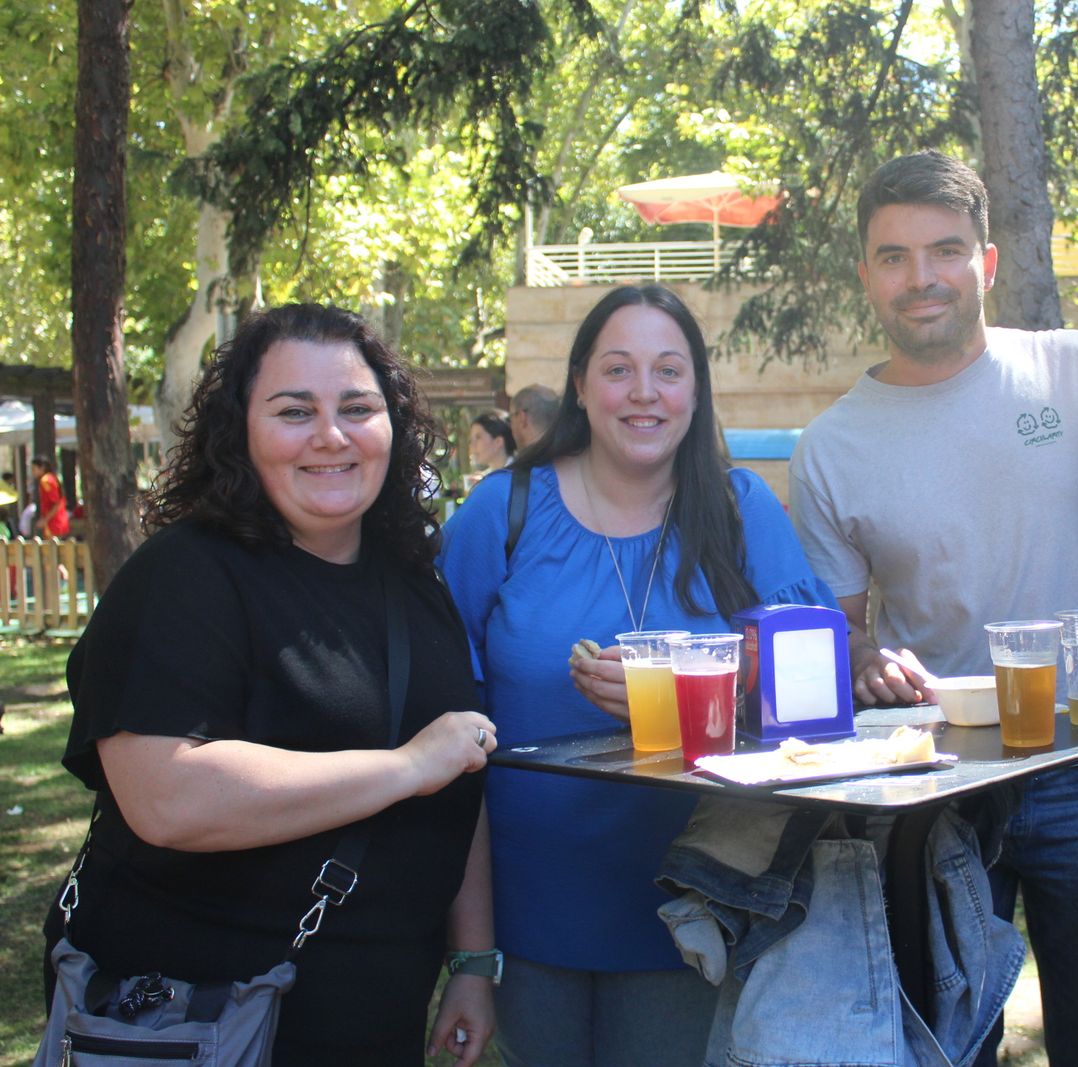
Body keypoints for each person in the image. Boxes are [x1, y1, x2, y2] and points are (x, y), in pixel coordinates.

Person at [41, 303, 500, 1065]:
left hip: (376, 1022)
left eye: (358, 408)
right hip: (194, 1021)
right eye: (295, 411)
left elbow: (459, 771)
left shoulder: (414, 582)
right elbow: (167, 798)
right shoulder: (183, 575)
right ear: (241, 431)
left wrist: (475, 961)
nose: (332, 435)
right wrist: (405, 767)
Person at [788, 150, 1078, 1067]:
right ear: (866, 274)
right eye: (895, 256)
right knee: (950, 1040)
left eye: (945, 250)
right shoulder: (830, 446)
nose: (922, 277)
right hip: (938, 775)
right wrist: (862, 655)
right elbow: (844, 633)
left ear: (985, 262)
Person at [437, 284, 837, 1067]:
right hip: (529, 912)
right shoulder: (500, 513)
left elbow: (815, 695)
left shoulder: (741, 507)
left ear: (696, 389)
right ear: (581, 386)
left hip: (697, 907)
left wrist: (698, 692)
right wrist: (472, 954)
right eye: (619, 369)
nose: (644, 392)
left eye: (668, 370)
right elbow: (448, 741)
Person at [509, 384, 560, 449]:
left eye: (511, 418)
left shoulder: (533, 454)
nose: (511, 426)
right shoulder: (568, 451)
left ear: (522, 418)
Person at [31, 456, 70, 538]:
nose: (32, 472)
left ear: (42, 468)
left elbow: (56, 503)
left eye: (34, 469)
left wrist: (44, 520)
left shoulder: (45, 481)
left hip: (54, 524)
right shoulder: (52, 478)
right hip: (60, 522)